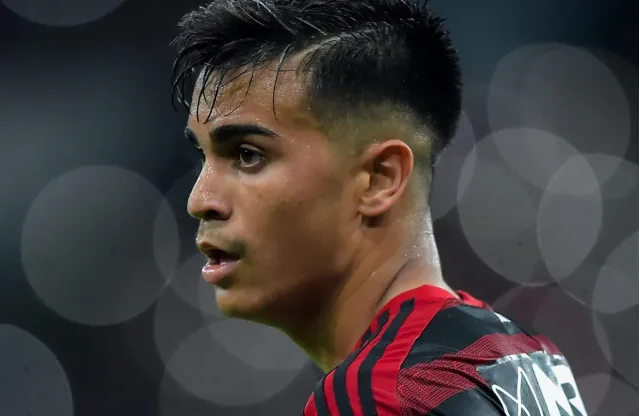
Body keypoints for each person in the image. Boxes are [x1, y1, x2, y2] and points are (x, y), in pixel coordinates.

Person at [170, 0, 588, 414]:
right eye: (203, 157)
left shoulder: (382, 392)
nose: (200, 201)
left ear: (379, 179)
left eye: (247, 155)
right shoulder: (527, 357)